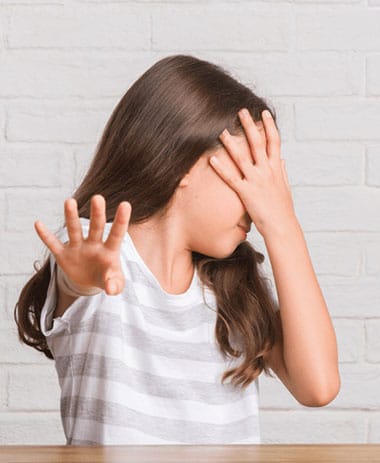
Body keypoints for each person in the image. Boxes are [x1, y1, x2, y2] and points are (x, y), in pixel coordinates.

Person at [14, 55, 340, 445]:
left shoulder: (231, 287)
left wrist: (283, 224)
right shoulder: (98, 251)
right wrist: (81, 279)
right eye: (248, 174)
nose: (259, 202)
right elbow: (81, 279)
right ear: (185, 164)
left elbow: (318, 387)